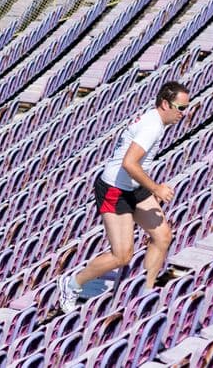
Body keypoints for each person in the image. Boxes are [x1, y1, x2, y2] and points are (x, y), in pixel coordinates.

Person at [58, 81, 190, 313]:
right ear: (165, 104)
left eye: (185, 108)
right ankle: (72, 284)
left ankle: (144, 295)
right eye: (180, 108)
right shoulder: (152, 127)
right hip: (115, 189)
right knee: (122, 256)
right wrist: (156, 188)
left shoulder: (157, 122)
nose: (183, 113)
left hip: (134, 185)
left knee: (162, 236)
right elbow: (130, 163)